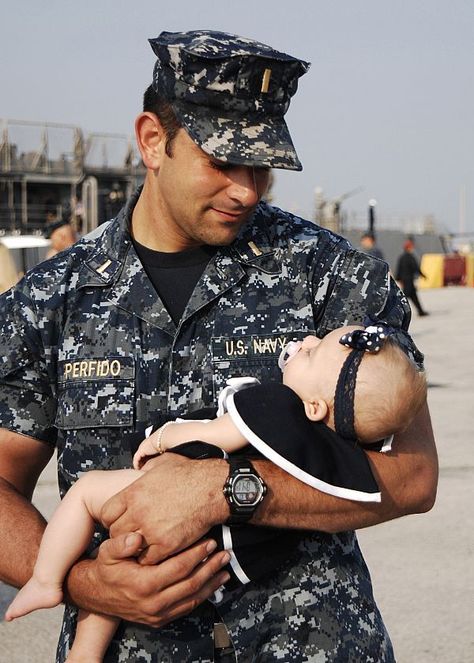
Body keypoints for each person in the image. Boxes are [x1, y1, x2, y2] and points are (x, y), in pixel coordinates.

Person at [0, 30, 437, 663]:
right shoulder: (52, 298)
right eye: (224, 161)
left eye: (262, 166)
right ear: (154, 140)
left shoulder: (332, 276)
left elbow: (416, 476)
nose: (248, 189)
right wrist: (82, 581)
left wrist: (226, 489)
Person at [5, 323, 427, 661]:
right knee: (118, 573)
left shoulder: (278, 406)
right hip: (228, 554)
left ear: (317, 407)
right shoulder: (331, 445)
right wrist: (85, 584)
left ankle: (48, 582)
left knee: (89, 494)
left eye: (313, 352)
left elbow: (216, 431)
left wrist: (168, 441)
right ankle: (84, 640)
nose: (308, 340)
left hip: (300, 633)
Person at [395, 238, 429, 316]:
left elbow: (399, 269)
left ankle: (421, 312)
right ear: (409, 248)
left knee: (413, 297)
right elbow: (415, 267)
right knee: (404, 299)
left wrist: (398, 279)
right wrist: (423, 275)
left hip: (404, 280)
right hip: (409, 280)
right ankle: (397, 314)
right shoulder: (410, 257)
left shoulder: (401, 257)